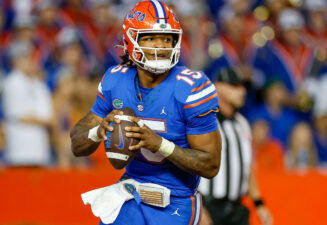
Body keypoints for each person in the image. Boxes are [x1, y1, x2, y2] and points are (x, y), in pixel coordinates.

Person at [70, 1, 222, 224]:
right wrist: (97, 131)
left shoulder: (191, 87)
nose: (160, 46)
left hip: (175, 202)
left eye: (167, 39)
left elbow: (211, 165)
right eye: (151, 38)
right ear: (131, 40)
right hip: (130, 194)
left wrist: (159, 144)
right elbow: (76, 143)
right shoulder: (115, 79)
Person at [198, 68, 272, 225]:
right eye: (235, 86)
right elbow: (189, 165)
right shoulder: (203, 121)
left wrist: (259, 203)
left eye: (243, 86)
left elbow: (248, 167)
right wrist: (199, 208)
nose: (242, 91)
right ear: (218, 86)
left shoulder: (242, 123)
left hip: (236, 208)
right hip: (209, 206)